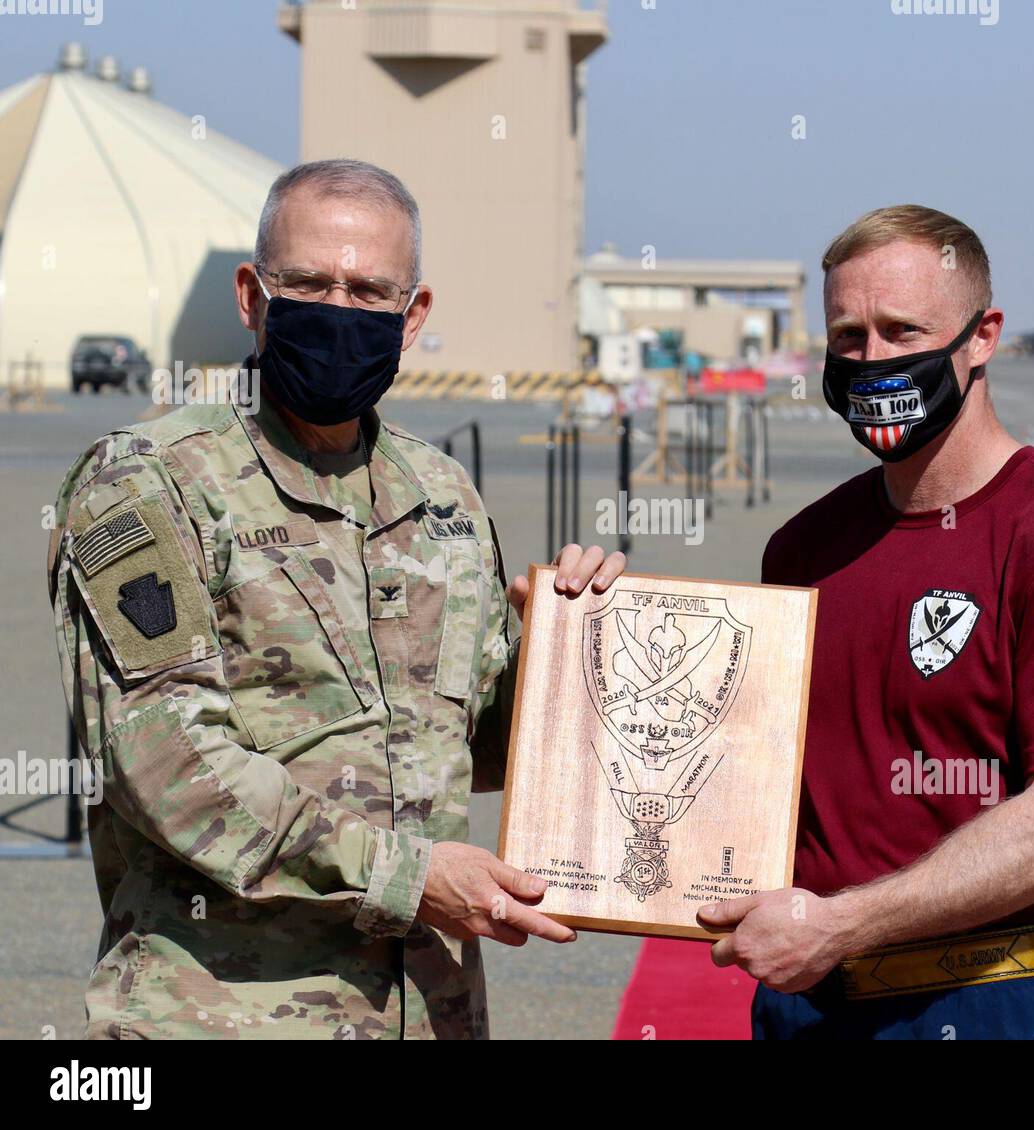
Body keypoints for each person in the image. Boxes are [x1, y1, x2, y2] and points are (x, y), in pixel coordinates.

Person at [48, 158, 625, 1039]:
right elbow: (168, 766)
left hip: (429, 1014)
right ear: (252, 295)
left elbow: (472, 751)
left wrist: (569, 653)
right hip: (223, 1015)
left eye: (369, 291)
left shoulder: (442, 496)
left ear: (414, 315)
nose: (339, 311)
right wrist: (405, 878)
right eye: (309, 283)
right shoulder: (151, 482)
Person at [699, 205, 1034, 1040]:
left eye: (903, 330)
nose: (873, 360)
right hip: (804, 1003)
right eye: (849, 337)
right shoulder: (802, 549)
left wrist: (845, 924)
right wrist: (579, 629)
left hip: (984, 1001)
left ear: (982, 336)